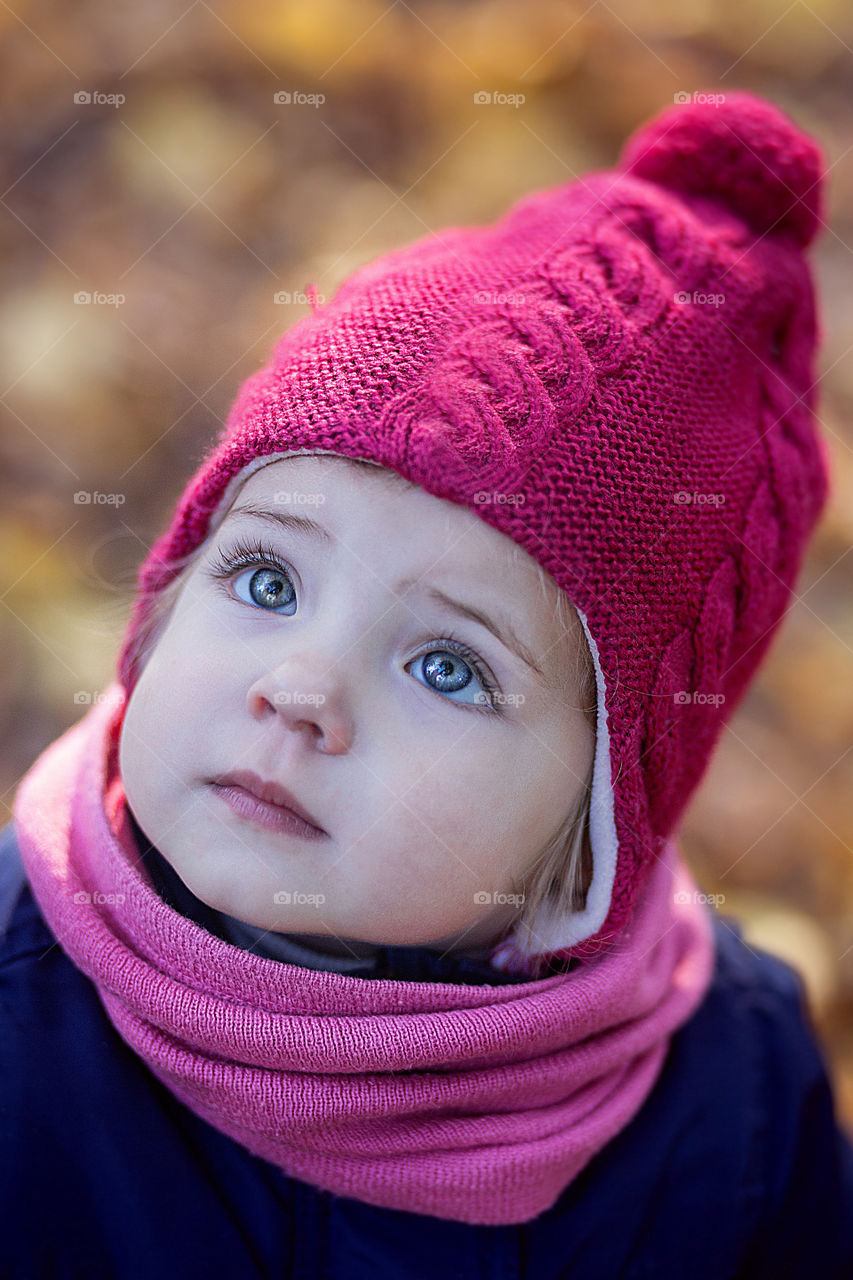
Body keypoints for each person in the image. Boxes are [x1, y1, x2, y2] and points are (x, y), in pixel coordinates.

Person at [2, 89, 852, 1279]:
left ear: (597, 828)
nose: (301, 687)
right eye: (265, 579)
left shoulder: (735, 1098)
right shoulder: (17, 1006)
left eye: (447, 666)